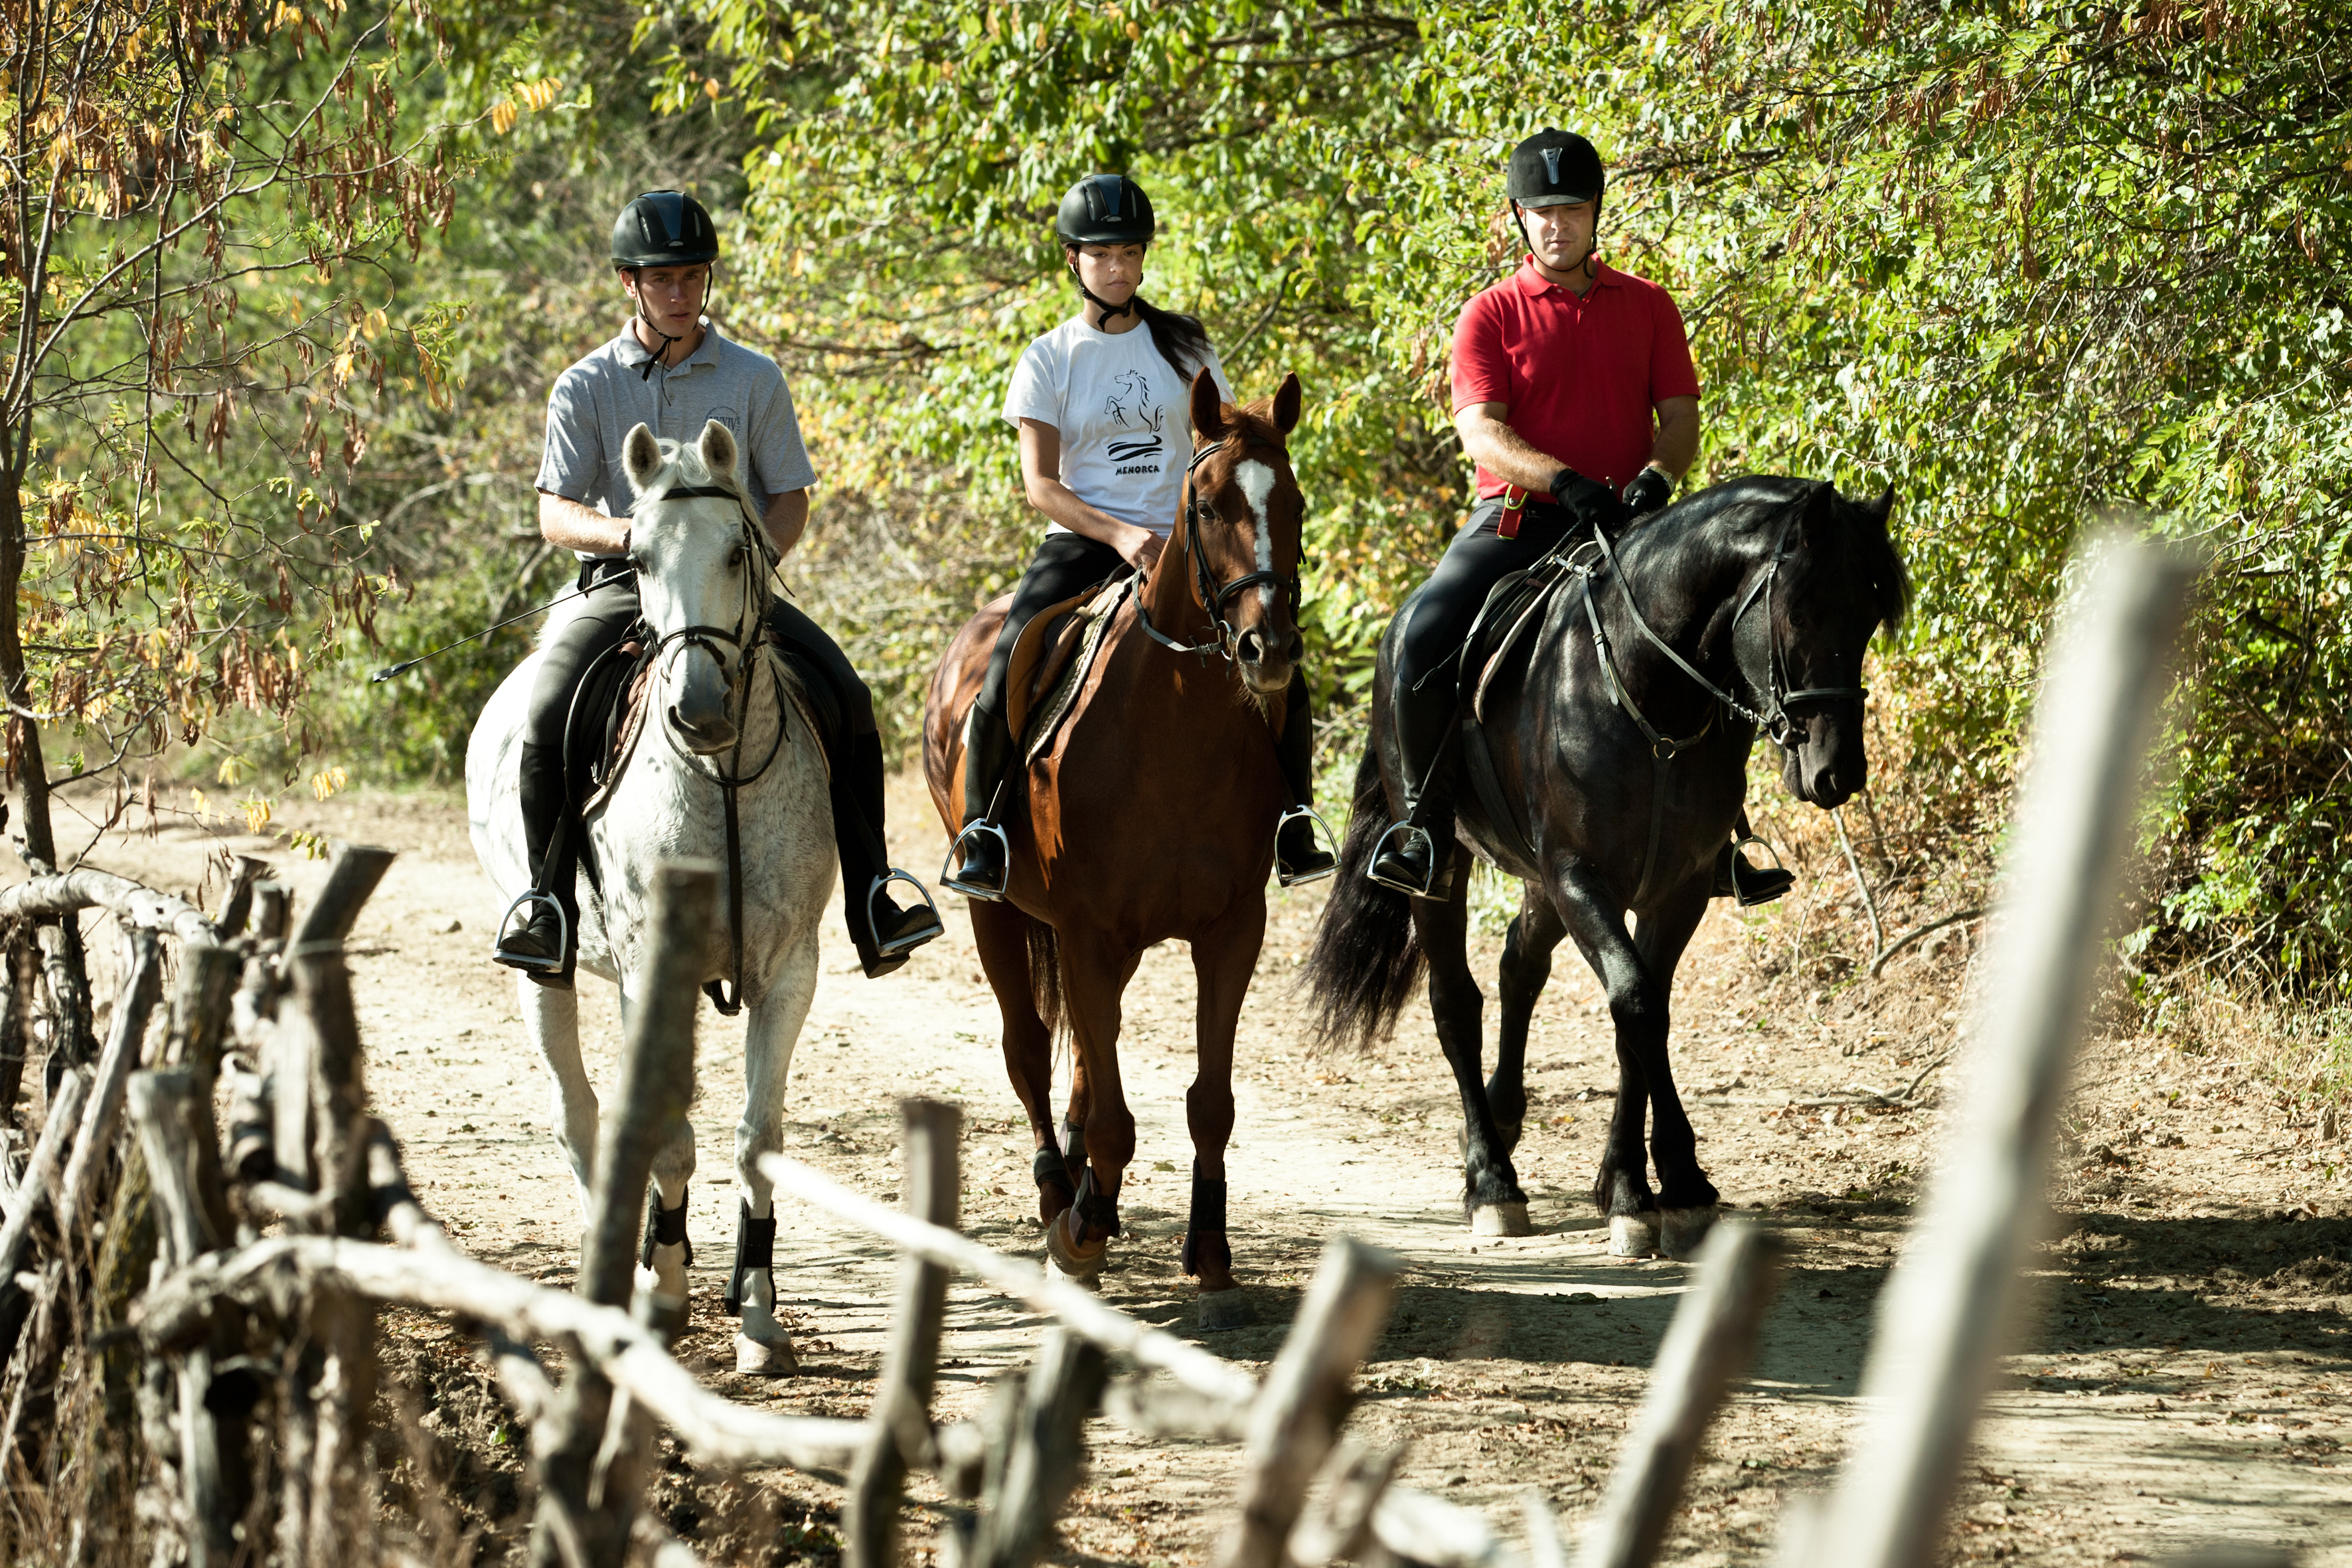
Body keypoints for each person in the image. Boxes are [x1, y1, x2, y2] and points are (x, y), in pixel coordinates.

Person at [495, 189, 944, 980]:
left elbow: (791, 496)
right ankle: (547, 903)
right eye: (662, 280)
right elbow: (555, 513)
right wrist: (631, 536)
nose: (680, 295)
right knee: (547, 707)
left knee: (846, 691)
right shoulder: (585, 386)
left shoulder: (753, 378)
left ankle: (873, 895)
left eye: (693, 278)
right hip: (624, 581)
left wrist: (751, 565)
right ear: (629, 284)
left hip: (735, 586)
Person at [1367, 129, 1791, 906]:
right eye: (1540, 211)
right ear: (1518, 219)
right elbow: (1483, 431)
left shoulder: (1651, 305)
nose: (1556, 225)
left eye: (1571, 209)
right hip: (1518, 518)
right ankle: (1421, 830)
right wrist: (1563, 479)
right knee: (1422, 638)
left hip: (1630, 523)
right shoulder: (1489, 314)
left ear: (1597, 212)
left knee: (1723, 635)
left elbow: (1681, 419)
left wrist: (1660, 478)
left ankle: (1726, 833)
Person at [942, 174, 1335, 899]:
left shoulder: (1185, 345)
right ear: (1073, 261)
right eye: (1101, 255)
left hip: (1190, 546)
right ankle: (984, 830)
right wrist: (1123, 536)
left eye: (1128, 252)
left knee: (1281, 656)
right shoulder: (1049, 359)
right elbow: (1042, 485)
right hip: (1086, 540)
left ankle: (1295, 823)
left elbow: (1218, 445)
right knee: (1011, 652)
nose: (1117, 267)